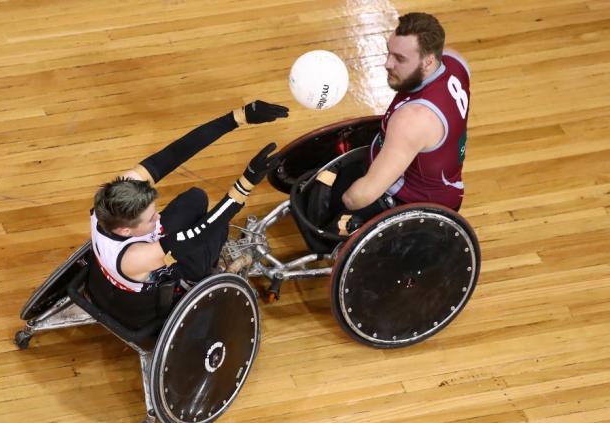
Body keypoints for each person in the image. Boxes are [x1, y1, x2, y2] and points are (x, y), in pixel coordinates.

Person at [86, 101, 288, 329]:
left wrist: (238, 117)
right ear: (125, 230)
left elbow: (176, 152)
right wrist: (246, 182)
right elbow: (200, 233)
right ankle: (192, 279)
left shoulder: (112, 198)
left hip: (121, 271)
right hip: (143, 309)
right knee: (219, 228)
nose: (157, 217)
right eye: (151, 217)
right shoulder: (135, 257)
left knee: (195, 198)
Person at [323, 12, 471, 235]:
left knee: (327, 207)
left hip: (412, 204)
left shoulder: (413, 119)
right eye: (388, 52)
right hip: (439, 183)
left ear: (429, 61)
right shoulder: (454, 61)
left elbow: (361, 197)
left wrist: (336, 203)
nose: (387, 63)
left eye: (400, 59)